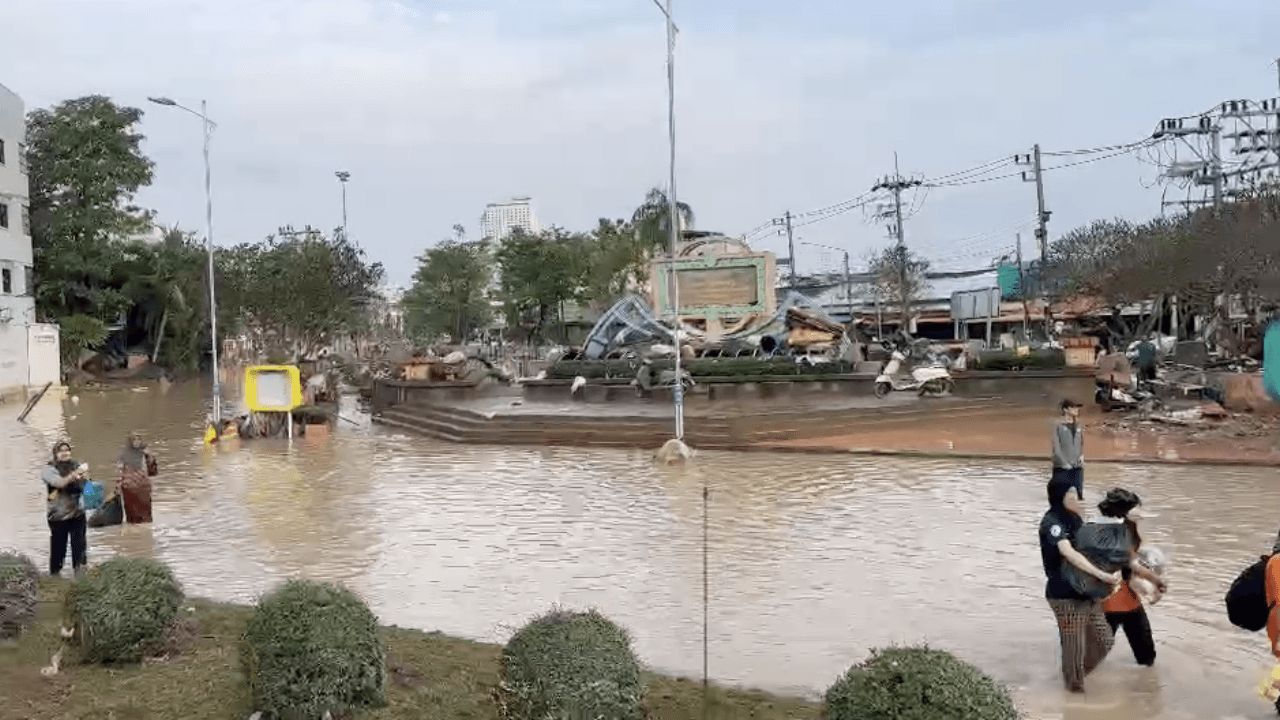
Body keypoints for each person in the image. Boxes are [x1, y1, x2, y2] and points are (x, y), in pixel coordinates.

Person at [1040, 475, 1121, 693]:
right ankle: (1073, 692)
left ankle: (1073, 677)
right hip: (1065, 597)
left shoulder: (1075, 519)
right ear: (1060, 496)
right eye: (1072, 493)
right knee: (1074, 649)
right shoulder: (1052, 523)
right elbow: (1070, 553)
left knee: (1104, 641)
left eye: (1077, 493)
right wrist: (1101, 575)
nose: (1077, 497)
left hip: (1086, 592)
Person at [1097, 488, 1167, 666]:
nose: (1139, 512)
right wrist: (1155, 581)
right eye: (1135, 508)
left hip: (1130, 602)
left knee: (1147, 658)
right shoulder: (1110, 534)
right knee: (1094, 658)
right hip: (1108, 604)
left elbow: (1137, 554)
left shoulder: (1129, 528)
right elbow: (1131, 564)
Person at [40, 440, 88, 577]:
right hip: (58, 516)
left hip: (77, 513)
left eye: (67, 450)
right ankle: (55, 577)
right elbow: (59, 483)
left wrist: (85, 478)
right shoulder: (48, 469)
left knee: (80, 548)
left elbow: (87, 488)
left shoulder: (75, 465)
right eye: (61, 451)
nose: (65, 453)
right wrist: (75, 474)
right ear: (55, 453)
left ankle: (80, 576)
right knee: (58, 549)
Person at [117, 432, 155, 523]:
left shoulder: (144, 450)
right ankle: (133, 523)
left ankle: (145, 523)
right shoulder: (124, 452)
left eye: (138, 439)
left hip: (141, 481)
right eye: (134, 440)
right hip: (129, 482)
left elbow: (152, 468)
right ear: (130, 441)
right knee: (131, 506)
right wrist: (119, 483)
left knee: (145, 505)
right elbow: (120, 468)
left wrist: (149, 455)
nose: (137, 442)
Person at [1051, 399, 1085, 492]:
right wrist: (1064, 463)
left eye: (1077, 407)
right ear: (1065, 409)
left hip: (1077, 467)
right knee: (1060, 495)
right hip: (1061, 468)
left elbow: (1081, 443)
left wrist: (1081, 455)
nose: (1076, 409)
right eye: (1073, 407)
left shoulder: (1079, 425)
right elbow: (1056, 447)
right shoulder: (1057, 425)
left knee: (1078, 495)